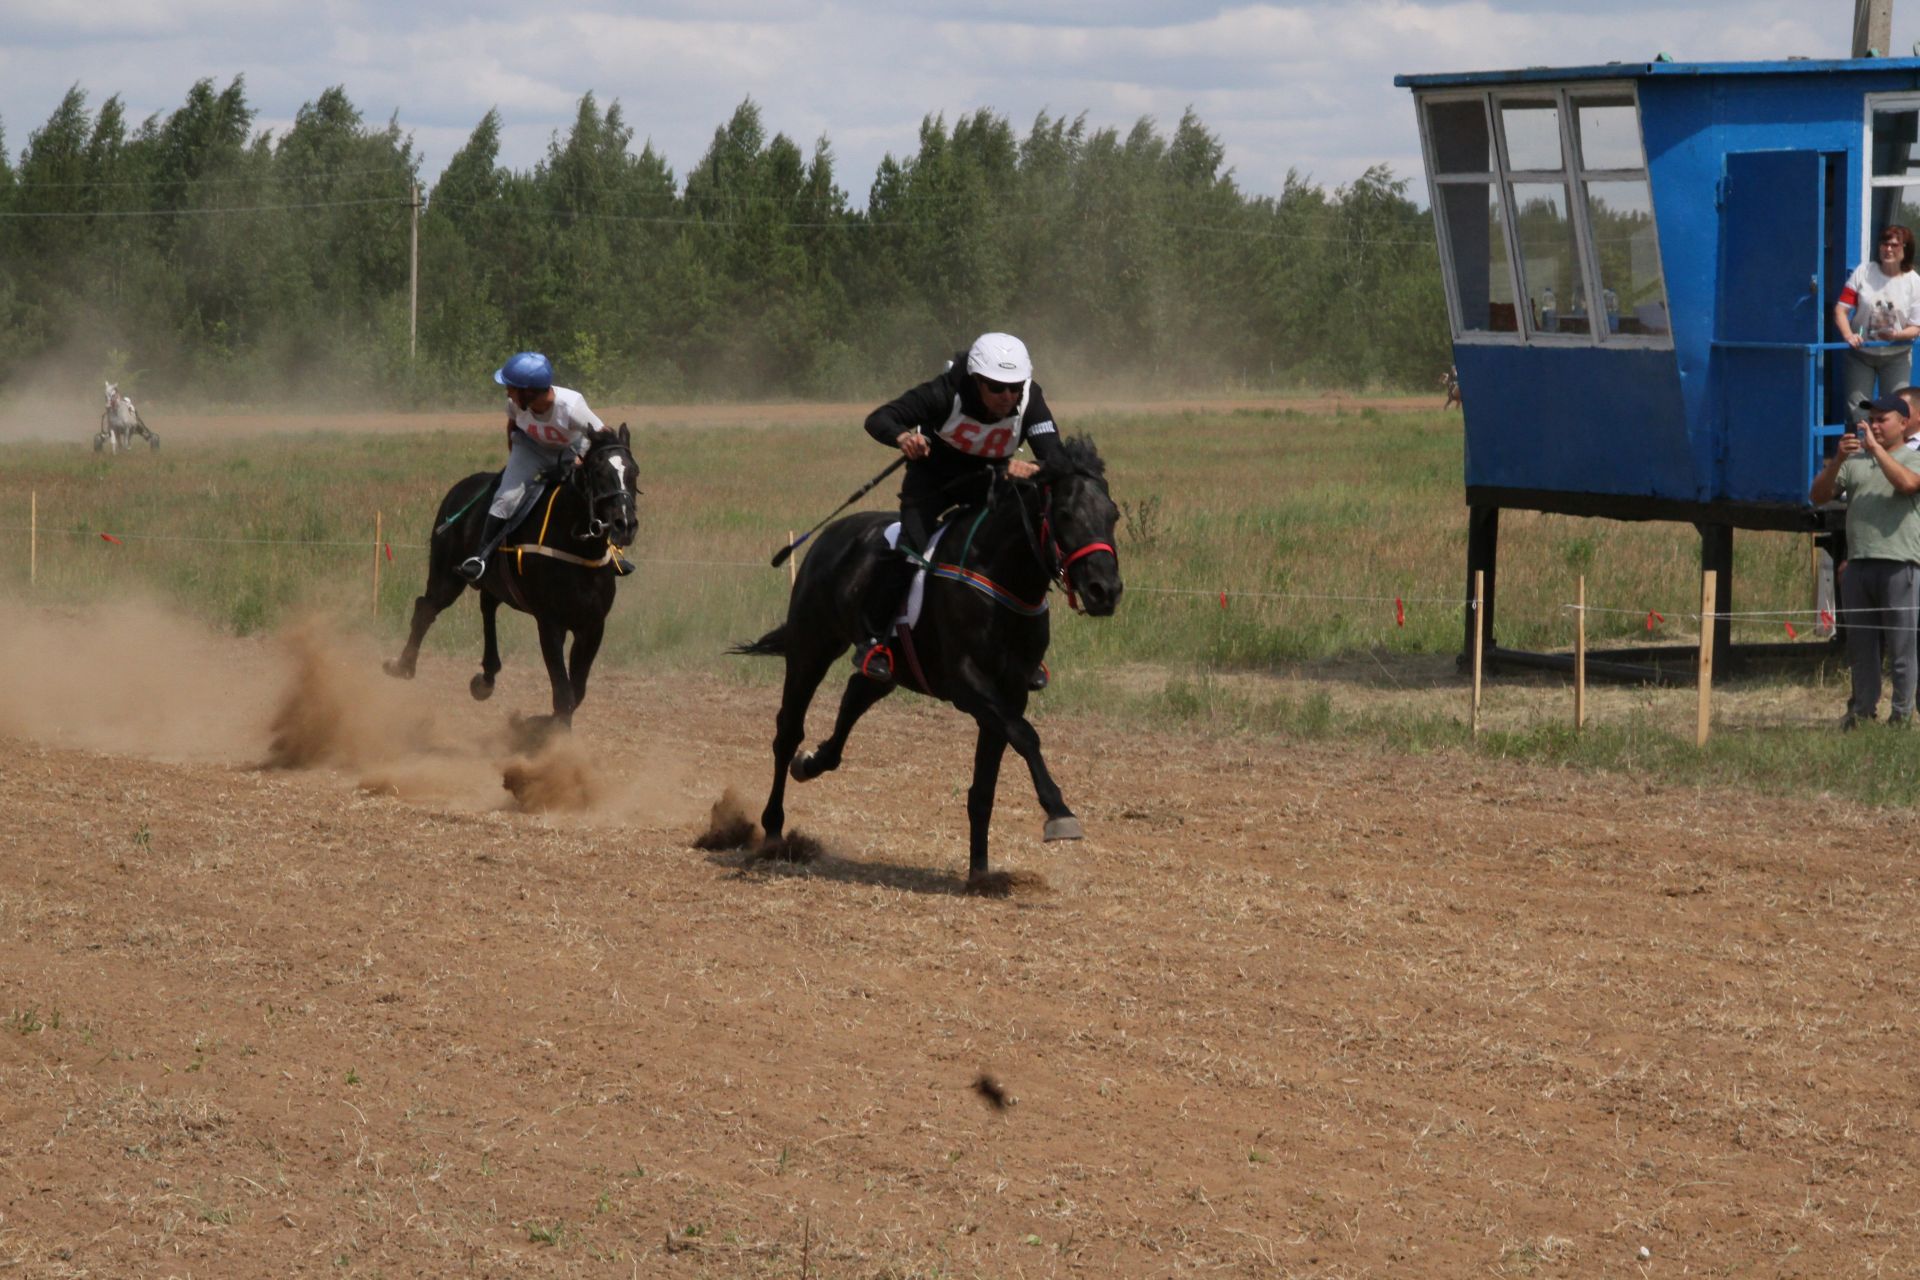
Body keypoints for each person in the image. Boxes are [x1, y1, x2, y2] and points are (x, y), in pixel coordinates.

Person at [855, 332, 1069, 684]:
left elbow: (1057, 458)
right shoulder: (944, 392)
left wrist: (1034, 467)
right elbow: (879, 418)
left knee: (1023, 548)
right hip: (933, 483)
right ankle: (874, 642)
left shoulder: (1031, 400)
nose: (1008, 396)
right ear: (976, 380)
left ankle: (1025, 654)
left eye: (1015, 387)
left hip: (990, 484)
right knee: (910, 550)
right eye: (997, 388)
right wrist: (905, 439)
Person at [1810, 395, 1920, 728]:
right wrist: (1837, 460)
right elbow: (1818, 496)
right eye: (1870, 420)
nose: (1873, 426)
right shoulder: (1855, 461)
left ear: (1903, 423)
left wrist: (1876, 451)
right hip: (1858, 565)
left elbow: (1906, 484)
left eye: (1882, 419)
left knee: (1902, 648)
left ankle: (1901, 714)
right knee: (1861, 646)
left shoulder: (1913, 459)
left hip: (1899, 564)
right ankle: (1861, 710)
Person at [457, 352, 615, 583]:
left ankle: (613, 554)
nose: (507, 392)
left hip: (572, 450)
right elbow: (513, 427)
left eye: (511, 387)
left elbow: (604, 435)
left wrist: (582, 461)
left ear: (528, 391)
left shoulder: (571, 406)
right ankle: (480, 558)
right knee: (507, 498)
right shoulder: (514, 404)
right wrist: (517, 465)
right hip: (531, 450)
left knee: (595, 495)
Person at [1835, 226, 1920, 423]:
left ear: (1905, 250)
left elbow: (1916, 327)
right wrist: (1849, 335)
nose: (1888, 249)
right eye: (1884, 244)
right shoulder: (1863, 272)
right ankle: (1863, 451)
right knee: (1859, 410)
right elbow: (1841, 310)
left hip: (1897, 354)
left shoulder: (1914, 282)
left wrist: (1895, 336)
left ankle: (1888, 454)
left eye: (1894, 245)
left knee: (1895, 411)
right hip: (1861, 354)